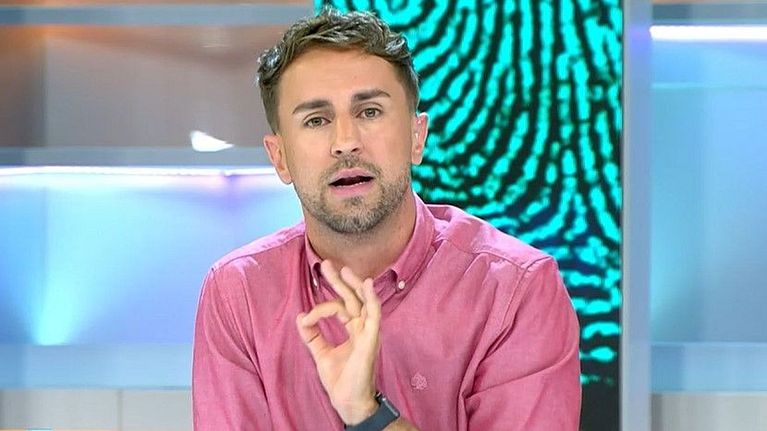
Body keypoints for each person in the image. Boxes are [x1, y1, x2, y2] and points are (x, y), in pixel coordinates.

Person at [192, 8, 581, 431]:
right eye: (316, 120)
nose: (345, 142)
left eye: (370, 112)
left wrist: (367, 413)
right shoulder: (239, 293)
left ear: (417, 137)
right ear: (279, 157)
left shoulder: (516, 290)